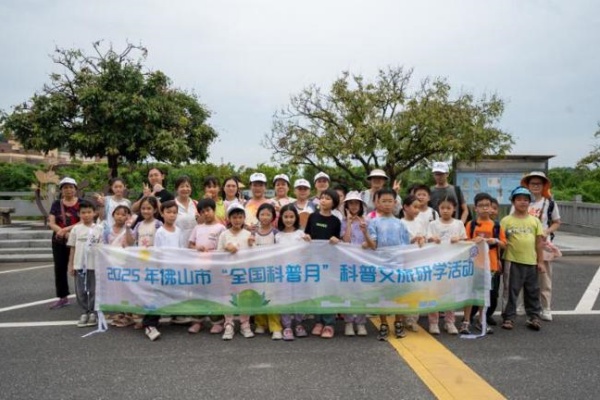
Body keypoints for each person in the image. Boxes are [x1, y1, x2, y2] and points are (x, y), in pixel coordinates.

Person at [364, 188, 412, 340]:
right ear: (377, 203)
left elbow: (406, 246)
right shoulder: (373, 222)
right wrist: (365, 233)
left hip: (398, 264)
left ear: (395, 203)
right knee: (382, 294)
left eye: (389, 201)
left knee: (398, 294)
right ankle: (383, 324)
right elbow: (373, 245)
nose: (386, 204)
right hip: (381, 264)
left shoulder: (400, 224)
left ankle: (398, 322)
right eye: (383, 201)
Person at [501, 187, 545, 332]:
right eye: (519, 199)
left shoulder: (535, 221)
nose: (522, 202)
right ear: (513, 202)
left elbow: (539, 242)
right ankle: (508, 317)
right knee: (510, 291)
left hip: (531, 261)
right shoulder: (506, 220)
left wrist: (540, 261)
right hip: (512, 261)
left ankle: (533, 317)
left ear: (529, 202)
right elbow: (501, 241)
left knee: (533, 291)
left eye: (526, 200)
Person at [520, 171, 561, 321]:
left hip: (543, 245)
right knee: (524, 276)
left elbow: (557, 222)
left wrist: (546, 231)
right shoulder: (522, 201)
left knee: (544, 278)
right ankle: (524, 305)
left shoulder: (550, 203)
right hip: (524, 244)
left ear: (544, 186)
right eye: (533, 183)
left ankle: (546, 307)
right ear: (528, 185)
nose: (535, 186)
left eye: (539, 183)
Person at [142, 200, 185, 341]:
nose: (172, 215)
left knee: (174, 293)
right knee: (158, 296)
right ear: (162, 213)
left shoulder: (179, 231)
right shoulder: (160, 232)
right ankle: (149, 324)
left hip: (176, 269)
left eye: (174, 212)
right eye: (168, 212)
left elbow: (182, 250)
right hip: (164, 269)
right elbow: (158, 252)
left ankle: (176, 315)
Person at [465, 193, 507, 334]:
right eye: (481, 205)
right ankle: (467, 320)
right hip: (474, 265)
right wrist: (473, 241)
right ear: (475, 208)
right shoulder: (471, 225)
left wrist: (495, 241)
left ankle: (482, 320)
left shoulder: (496, 226)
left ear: (491, 207)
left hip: (492, 266)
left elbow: (504, 244)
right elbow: (464, 242)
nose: (484, 208)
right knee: (472, 292)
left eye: (487, 205)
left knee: (487, 294)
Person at [426, 196, 467, 335]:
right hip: (436, 264)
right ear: (438, 208)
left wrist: (459, 239)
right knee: (434, 293)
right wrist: (432, 238)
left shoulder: (458, 224)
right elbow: (427, 238)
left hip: (452, 264)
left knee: (451, 293)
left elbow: (465, 241)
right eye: (442, 208)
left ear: (454, 209)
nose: (445, 210)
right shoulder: (433, 224)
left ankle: (449, 321)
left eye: (448, 208)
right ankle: (433, 322)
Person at [304, 189, 342, 339]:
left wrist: (336, 240)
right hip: (314, 260)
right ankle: (318, 321)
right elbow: (307, 234)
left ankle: (329, 323)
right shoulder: (313, 217)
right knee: (316, 291)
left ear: (334, 203)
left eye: (328, 198)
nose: (324, 200)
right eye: (322, 198)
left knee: (328, 291)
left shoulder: (335, 221)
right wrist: (307, 237)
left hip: (329, 261)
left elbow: (338, 240)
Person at [187, 198, 227, 334]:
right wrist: (197, 248)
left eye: (208, 210)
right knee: (198, 293)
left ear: (213, 210)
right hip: (198, 266)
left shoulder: (221, 228)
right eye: (202, 212)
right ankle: (197, 321)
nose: (206, 213)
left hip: (214, 267)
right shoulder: (197, 228)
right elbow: (190, 244)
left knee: (214, 293)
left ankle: (217, 322)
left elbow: (224, 247)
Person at [217, 203, 255, 340]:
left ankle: (245, 323)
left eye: (240, 217)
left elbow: (255, 255)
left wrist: (251, 244)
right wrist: (226, 248)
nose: (237, 220)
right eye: (234, 217)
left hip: (244, 273)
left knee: (245, 297)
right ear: (229, 218)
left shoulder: (248, 234)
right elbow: (218, 254)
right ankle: (229, 324)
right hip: (228, 273)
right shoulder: (224, 235)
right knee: (228, 297)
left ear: (244, 218)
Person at [248, 203, 284, 340]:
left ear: (273, 217)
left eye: (268, 214)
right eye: (262, 214)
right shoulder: (253, 233)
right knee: (259, 296)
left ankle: (275, 326)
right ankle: (260, 323)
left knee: (272, 298)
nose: (265, 217)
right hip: (257, 270)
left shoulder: (276, 233)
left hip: (271, 271)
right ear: (258, 216)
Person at [276, 204, 310, 340]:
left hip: (298, 272)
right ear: (281, 218)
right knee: (285, 299)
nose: (288, 219)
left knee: (298, 298)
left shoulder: (301, 234)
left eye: (291, 217)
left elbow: (307, 252)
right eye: (286, 217)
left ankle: (298, 323)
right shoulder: (278, 236)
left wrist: (308, 242)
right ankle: (287, 326)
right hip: (283, 273)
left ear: (296, 218)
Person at [67, 200, 103, 328]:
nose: (86, 215)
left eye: (89, 212)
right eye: (83, 212)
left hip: (94, 265)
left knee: (93, 290)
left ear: (94, 213)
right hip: (80, 265)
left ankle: (93, 312)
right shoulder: (76, 229)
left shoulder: (99, 229)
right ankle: (84, 311)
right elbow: (72, 248)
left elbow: (103, 248)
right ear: (79, 214)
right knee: (81, 290)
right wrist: (71, 265)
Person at [48, 177, 83, 309]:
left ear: (75, 189)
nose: (68, 190)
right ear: (61, 190)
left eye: (71, 187)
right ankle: (63, 297)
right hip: (59, 240)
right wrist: (62, 232)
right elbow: (51, 222)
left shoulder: (82, 203)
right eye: (65, 187)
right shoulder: (56, 204)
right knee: (60, 268)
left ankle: (84, 295)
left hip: (78, 239)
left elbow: (84, 220)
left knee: (80, 267)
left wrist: (66, 230)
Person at [340, 191, 369, 336]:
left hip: (363, 262)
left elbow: (370, 241)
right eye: (351, 203)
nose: (354, 206)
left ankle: (361, 323)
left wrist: (365, 233)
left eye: (356, 203)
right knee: (348, 293)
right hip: (348, 263)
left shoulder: (366, 221)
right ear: (346, 206)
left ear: (361, 205)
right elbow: (345, 240)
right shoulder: (343, 222)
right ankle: (349, 322)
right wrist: (350, 223)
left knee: (362, 293)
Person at [399, 194, 427, 332]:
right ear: (405, 207)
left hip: (418, 260)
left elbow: (425, 237)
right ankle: (401, 318)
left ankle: (412, 319)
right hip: (404, 261)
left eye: (419, 207)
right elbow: (398, 243)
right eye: (414, 207)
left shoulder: (420, 222)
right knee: (404, 290)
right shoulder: (399, 223)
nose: (417, 210)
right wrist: (412, 240)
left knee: (416, 289)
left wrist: (422, 240)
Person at [174, 175, 198, 244]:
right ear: (176, 189)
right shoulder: (172, 205)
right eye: (182, 186)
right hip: (177, 243)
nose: (185, 189)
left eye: (187, 186)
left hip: (194, 244)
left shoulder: (196, 204)